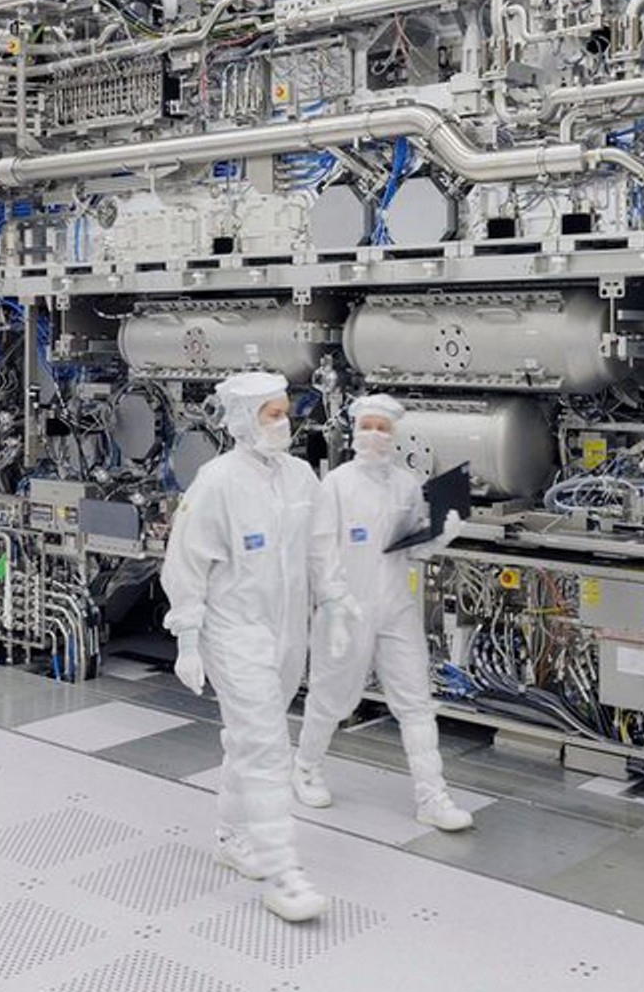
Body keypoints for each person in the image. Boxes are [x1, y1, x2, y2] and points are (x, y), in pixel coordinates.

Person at [160, 371, 357, 922]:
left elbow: (322, 548)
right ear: (245, 421)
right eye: (272, 414)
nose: (284, 423)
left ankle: (231, 835)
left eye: (285, 413)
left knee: (248, 742)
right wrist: (188, 638)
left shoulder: (300, 477)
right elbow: (185, 562)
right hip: (234, 632)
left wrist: (336, 604)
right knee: (269, 749)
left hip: (286, 632)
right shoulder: (217, 482)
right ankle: (283, 875)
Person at [292, 393, 474, 832]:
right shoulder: (337, 484)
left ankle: (431, 797)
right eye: (367, 427)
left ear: (394, 435)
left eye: (382, 429)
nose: (374, 435)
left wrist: (441, 534)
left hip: (395, 606)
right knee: (330, 697)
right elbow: (319, 549)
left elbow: (411, 547)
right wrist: (333, 601)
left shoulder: (405, 485)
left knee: (416, 702)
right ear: (355, 432)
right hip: (346, 608)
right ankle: (305, 768)